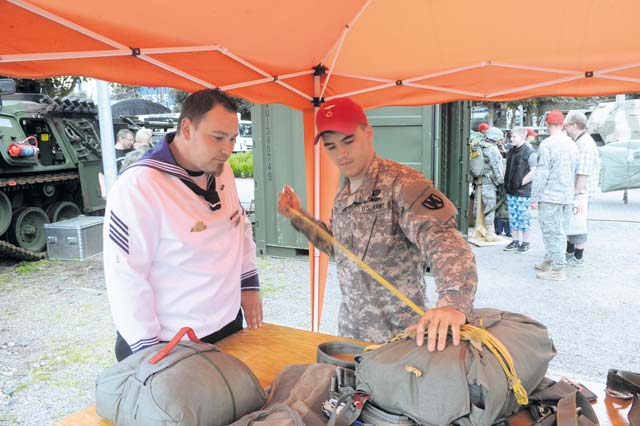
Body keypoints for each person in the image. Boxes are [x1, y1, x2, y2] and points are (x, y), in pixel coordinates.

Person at [277, 97, 477, 352]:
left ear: (368, 133)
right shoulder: (344, 193)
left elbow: (443, 240)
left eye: (348, 141)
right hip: (352, 335)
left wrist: (453, 301)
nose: (342, 154)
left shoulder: (401, 184)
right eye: (331, 146)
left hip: (399, 339)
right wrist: (298, 216)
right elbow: (342, 251)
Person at [103, 89, 262, 361]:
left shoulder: (224, 173)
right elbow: (126, 278)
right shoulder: (139, 186)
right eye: (218, 137)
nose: (228, 150)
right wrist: (148, 352)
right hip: (170, 343)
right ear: (187, 129)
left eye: (233, 139)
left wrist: (248, 285)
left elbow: (240, 227)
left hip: (227, 326)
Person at [530, 110, 578, 281]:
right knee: (560, 231)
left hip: (550, 195)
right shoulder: (572, 143)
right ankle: (549, 260)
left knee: (552, 232)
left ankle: (558, 268)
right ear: (563, 125)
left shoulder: (547, 144)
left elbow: (542, 173)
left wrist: (534, 197)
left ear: (548, 125)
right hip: (566, 195)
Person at [563, 111, 600, 266]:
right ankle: (570, 252)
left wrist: (575, 193)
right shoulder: (580, 141)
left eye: (568, 125)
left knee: (578, 222)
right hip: (579, 191)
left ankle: (578, 256)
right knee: (573, 222)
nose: (566, 128)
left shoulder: (585, 144)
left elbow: (582, 173)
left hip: (581, 192)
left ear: (575, 125)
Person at [503, 127, 537, 253]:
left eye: (514, 136)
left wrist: (520, 183)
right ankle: (516, 241)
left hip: (523, 192)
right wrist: (506, 180)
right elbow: (506, 166)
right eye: (511, 136)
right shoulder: (511, 151)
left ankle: (526, 242)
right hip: (511, 190)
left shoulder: (530, 152)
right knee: (513, 218)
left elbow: (534, 171)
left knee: (524, 218)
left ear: (522, 137)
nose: (511, 139)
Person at [478, 127, 506, 241]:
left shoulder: (480, 146)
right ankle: (490, 234)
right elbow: (497, 169)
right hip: (489, 183)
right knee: (490, 207)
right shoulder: (493, 150)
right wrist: (502, 183)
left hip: (479, 182)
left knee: (479, 207)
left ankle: (480, 231)